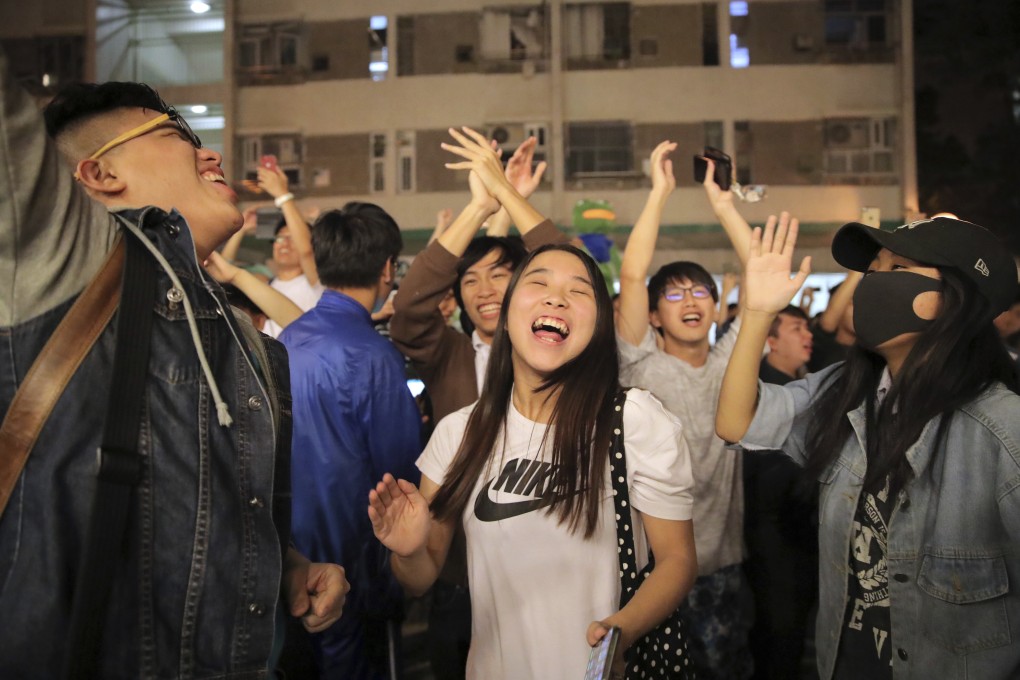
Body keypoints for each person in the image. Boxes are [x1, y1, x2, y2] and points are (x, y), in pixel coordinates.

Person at [0, 54, 347, 677]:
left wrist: (288, 566)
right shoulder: (61, 268)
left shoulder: (249, 341)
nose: (210, 154)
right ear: (97, 174)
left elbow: (237, 515)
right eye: (175, 136)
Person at [369, 241, 698, 679]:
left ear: (599, 325)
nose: (556, 297)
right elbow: (419, 576)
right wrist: (409, 551)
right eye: (538, 283)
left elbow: (677, 559)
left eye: (579, 291)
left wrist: (623, 631)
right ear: (505, 316)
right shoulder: (459, 433)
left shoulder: (635, 421)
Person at [717, 215, 1020, 679]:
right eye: (872, 270)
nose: (873, 284)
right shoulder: (845, 389)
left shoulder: (1001, 428)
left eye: (897, 270)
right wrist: (756, 313)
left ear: (954, 300)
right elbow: (737, 421)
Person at [387, 129, 565, 680]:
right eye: (470, 280)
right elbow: (411, 309)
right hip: (460, 567)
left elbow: (570, 268)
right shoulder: (450, 353)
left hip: (549, 562)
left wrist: (510, 197)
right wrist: (479, 204)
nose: (485, 288)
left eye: (501, 274)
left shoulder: (559, 353)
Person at [615, 143, 753, 678]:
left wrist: (723, 207)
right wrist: (660, 194)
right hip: (653, 567)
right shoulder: (641, 365)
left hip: (723, 566)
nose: (691, 301)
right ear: (652, 316)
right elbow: (630, 275)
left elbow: (759, 276)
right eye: (674, 296)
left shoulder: (730, 365)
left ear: (718, 308)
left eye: (701, 292)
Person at [280, 203, 423, 679]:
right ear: (387, 269)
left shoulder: (283, 341)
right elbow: (398, 479)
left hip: (288, 566)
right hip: (356, 575)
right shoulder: (375, 355)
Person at [743, 304, 818, 679]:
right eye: (796, 328)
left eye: (808, 327)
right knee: (780, 643)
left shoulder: (802, 387)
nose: (809, 335)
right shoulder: (764, 392)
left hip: (799, 537)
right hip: (776, 540)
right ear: (770, 340)